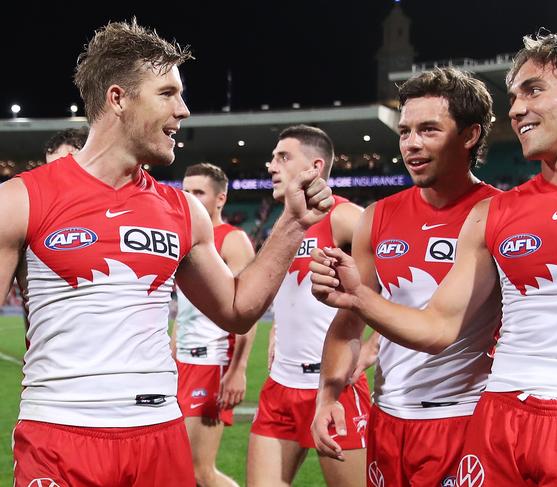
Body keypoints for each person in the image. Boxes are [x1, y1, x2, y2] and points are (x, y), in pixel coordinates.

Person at [1, 19, 332, 487]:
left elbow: (237, 310)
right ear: (118, 98)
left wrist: (293, 222)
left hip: (160, 434)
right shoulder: (21, 200)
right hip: (61, 434)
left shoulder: (183, 210)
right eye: (167, 93)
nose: (184, 108)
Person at [310, 32, 557, 487]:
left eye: (533, 90)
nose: (516, 109)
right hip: (498, 419)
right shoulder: (494, 214)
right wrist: (358, 298)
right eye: (513, 97)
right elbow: (438, 328)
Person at [310, 68, 501, 487]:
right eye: (405, 131)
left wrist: (356, 295)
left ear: (469, 136)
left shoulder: (502, 214)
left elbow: (435, 328)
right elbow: (347, 323)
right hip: (390, 418)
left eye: (428, 130)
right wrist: (328, 395)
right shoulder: (379, 217)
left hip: (466, 419)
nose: (411, 144)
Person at [247, 125, 370, 487]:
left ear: (315, 167)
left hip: (333, 385)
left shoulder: (342, 217)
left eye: (283, 157)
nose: (271, 165)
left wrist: (375, 345)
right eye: (272, 157)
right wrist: (278, 335)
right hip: (281, 384)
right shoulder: (285, 224)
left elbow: (400, 275)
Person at [172, 162, 257, 487]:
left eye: (198, 192)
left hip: (212, 362)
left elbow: (247, 310)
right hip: (184, 362)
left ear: (220, 199)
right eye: (186, 191)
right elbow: (186, 306)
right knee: (177, 467)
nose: (189, 198)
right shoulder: (186, 238)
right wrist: (173, 346)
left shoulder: (233, 240)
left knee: (200, 471)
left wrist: (238, 369)